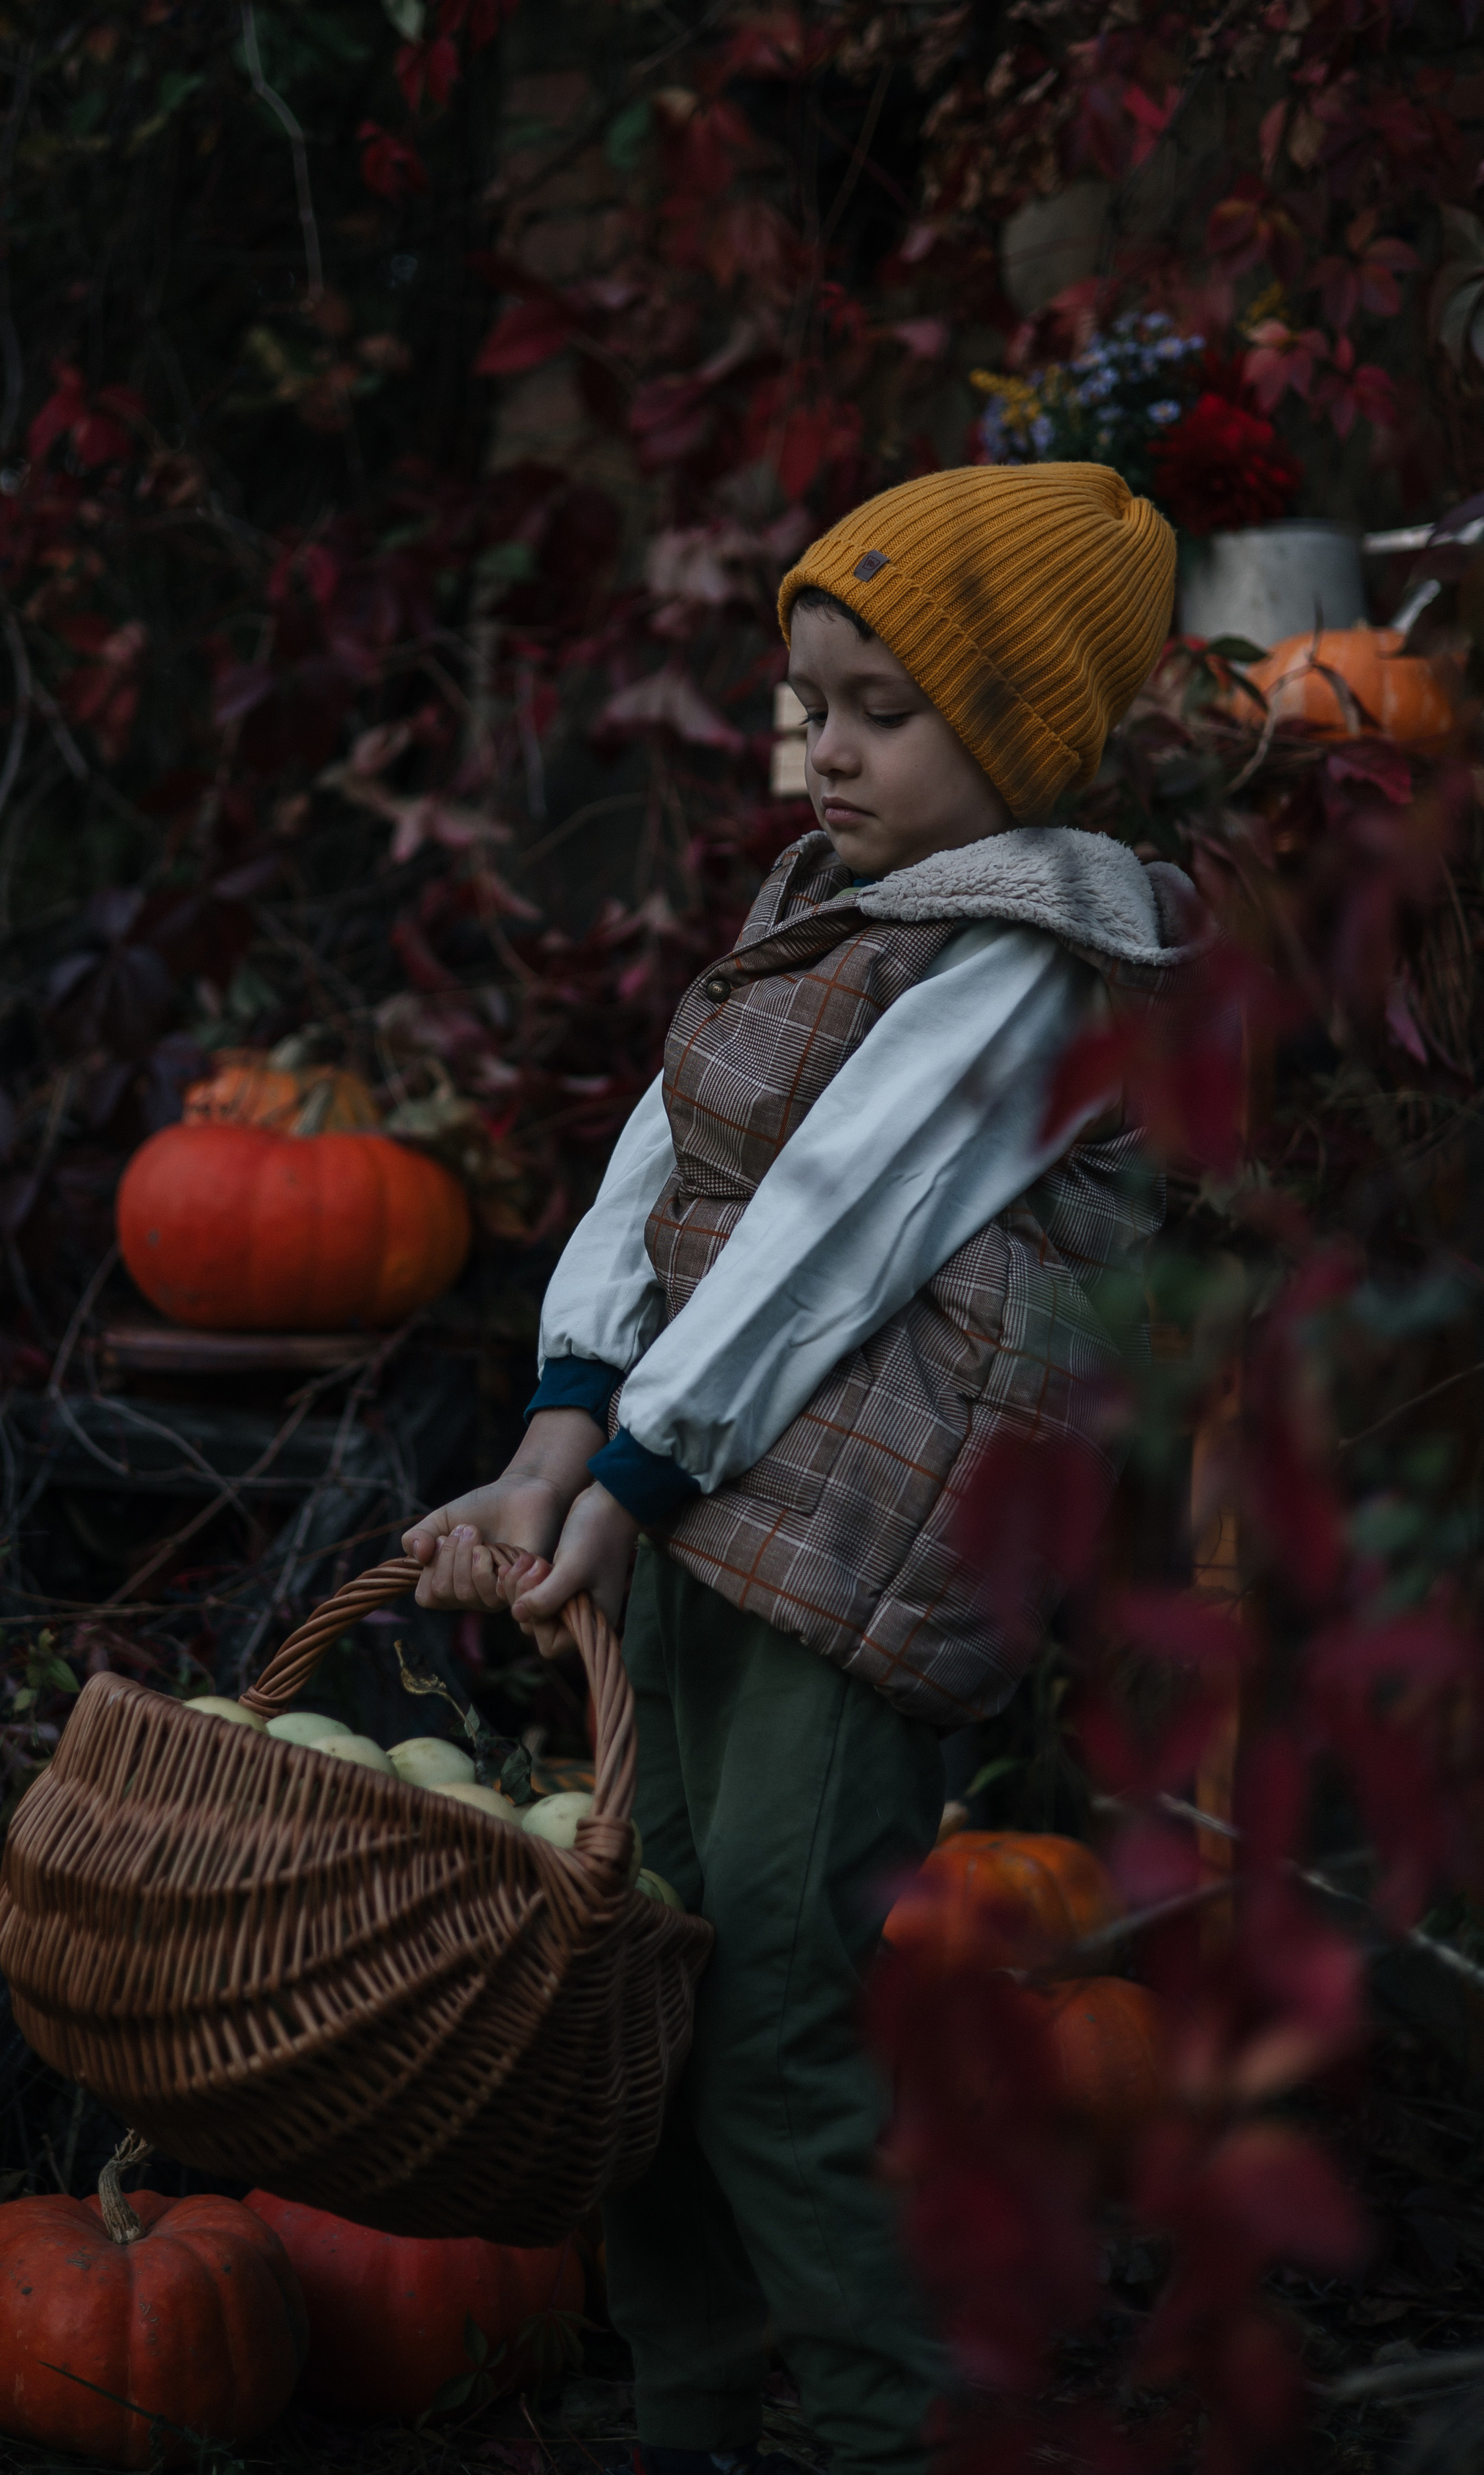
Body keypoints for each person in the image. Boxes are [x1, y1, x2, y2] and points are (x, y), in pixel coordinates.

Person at [402, 462, 1202, 2475]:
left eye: (880, 710)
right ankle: (686, 2421)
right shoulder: (822, 913)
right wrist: (559, 1432)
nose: (823, 750)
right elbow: (660, 1163)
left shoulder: (1039, 957)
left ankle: (877, 2431)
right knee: (648, 1989)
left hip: (860, 1564)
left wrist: (627, 1478)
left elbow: (831, 1230)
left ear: (1018, 733)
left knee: (771, 2011)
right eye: (809, 705)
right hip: (694, 1502)